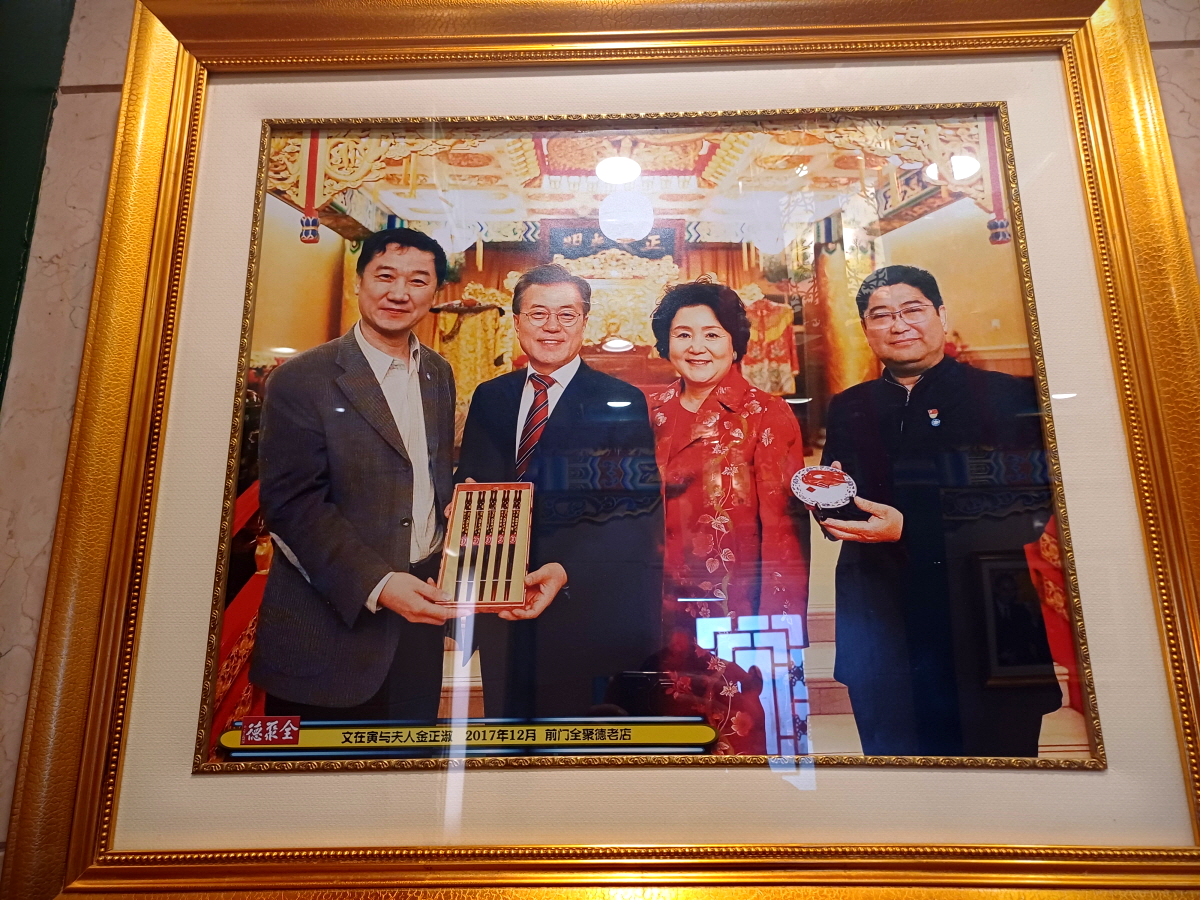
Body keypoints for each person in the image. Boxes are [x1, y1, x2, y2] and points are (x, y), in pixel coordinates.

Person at [249, 227, 562, 724]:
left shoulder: (437, 373)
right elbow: (292, 505)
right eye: (385, 276)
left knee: (406, 765)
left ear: (435, 293)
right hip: (332, 629)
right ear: (359, 282)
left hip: (422, 614)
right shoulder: (303, 378)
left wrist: (464, 503)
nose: (400, 293)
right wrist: (378, 583)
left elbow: (421, 475)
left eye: (418, 281)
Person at [819, 264, 1062, 757]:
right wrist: (827, 502)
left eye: (912, 310)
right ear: (866, 329)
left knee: (1001, 775)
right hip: (882, 617)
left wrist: (910, 528)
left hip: (983, 613)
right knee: (898, 778)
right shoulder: (850, 406)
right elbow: (840, 500)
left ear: (941, 316)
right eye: (881, 315)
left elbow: (1028, 508)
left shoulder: (1005, 396)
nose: (898, 325)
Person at [456, 263, 663, 719]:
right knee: (507, 735)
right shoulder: (490, 397)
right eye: (538, 313)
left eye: (567, 314)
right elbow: (471, 484)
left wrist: (568, 570)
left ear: (584, 322)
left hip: (579, 602)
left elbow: (633, 512)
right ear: (517, 323)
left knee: (573, 739)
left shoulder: (620, 401)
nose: (552, 326)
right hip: (499, 604)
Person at [644, 279, 809, 754]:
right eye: (683, 334)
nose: (697, 347)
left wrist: (776, 635)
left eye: (712, 334)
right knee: (664, 753)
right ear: (666, 343)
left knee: (741, 745)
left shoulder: (766, 415)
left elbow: (784, 537)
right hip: (655, 613)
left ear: (735, 343)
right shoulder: (648, 412)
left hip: (735, 619)